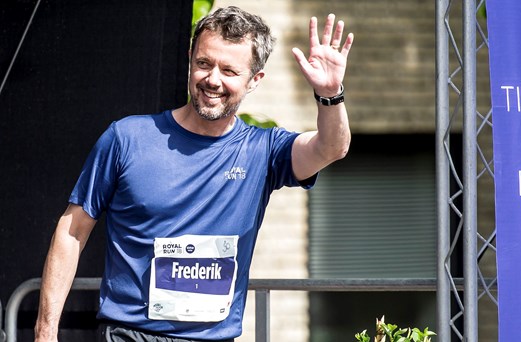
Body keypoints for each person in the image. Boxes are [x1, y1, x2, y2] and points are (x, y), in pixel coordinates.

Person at [34, 5, 354, 342]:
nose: (212, 79)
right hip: (129, 334)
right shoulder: (127, 138)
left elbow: (331, 148)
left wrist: (330, 94)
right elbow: (72, 231)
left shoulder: (264, 149)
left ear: (254, 79)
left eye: (229, 70)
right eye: (204, 63)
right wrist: (45, 332)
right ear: (190, 58)